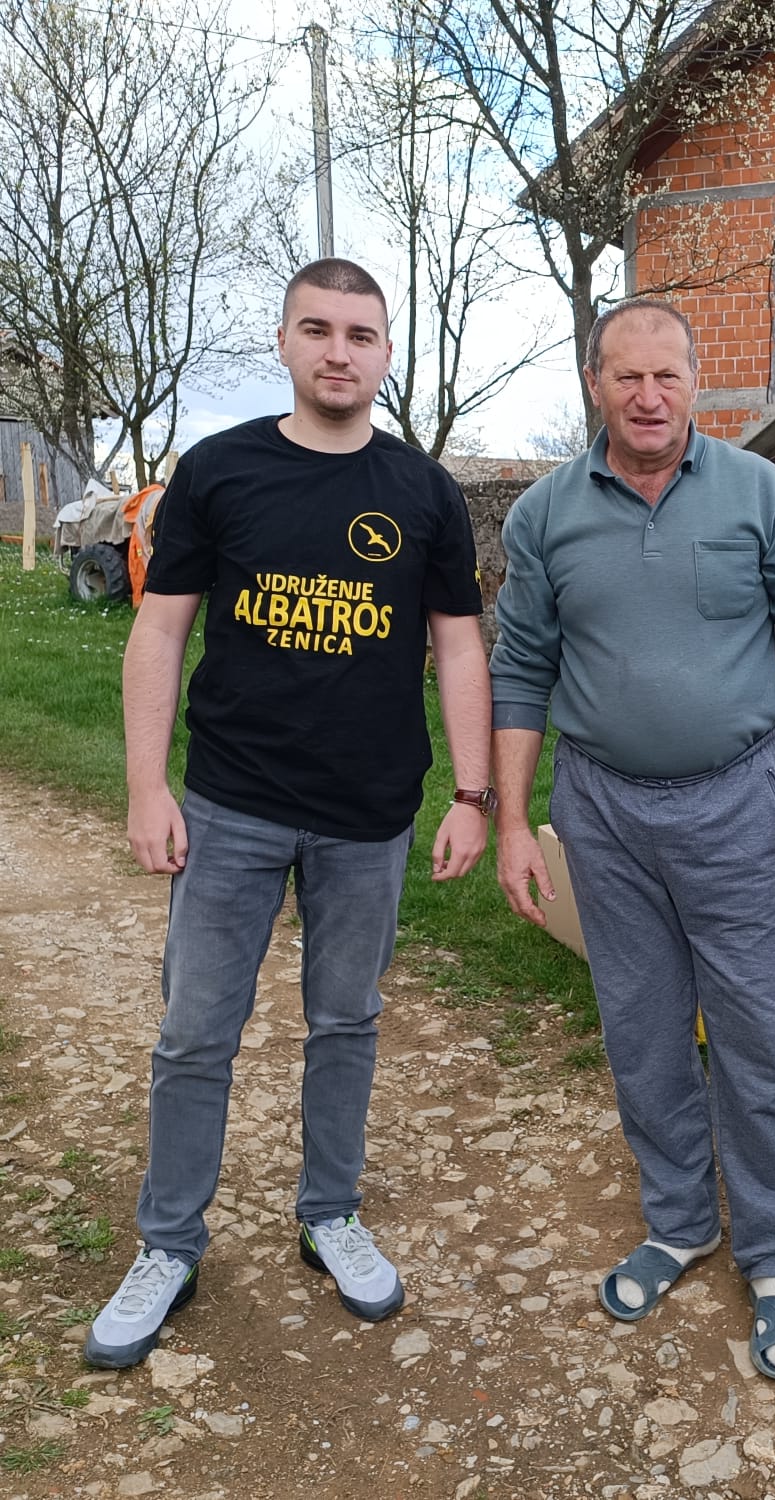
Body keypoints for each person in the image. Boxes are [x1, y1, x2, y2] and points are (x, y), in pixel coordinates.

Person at [85, 258, 493, 1369]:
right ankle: (169, 1243)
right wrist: (146, 785)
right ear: (283, 341)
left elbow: (459, 647)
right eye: (317, 329)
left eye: (361, 334)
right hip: (232, 806)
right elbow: (159, 631)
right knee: (194, 1032)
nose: (339, 352)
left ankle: (330, 1214)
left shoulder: (423, 493)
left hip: (369, 815)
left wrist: (472, 795)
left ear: (386, 353)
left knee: (347, 1023)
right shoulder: (219, 470)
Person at [489, 299, 775, 1381]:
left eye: (668, 376)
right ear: (594, 384)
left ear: (697, 381)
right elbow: (521, 669)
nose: (648, 397)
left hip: (734, 800)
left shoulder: (760, 495)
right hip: (601, 808)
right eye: (627, 377)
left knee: (758, 1027)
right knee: (641, 1025)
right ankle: (680, 1221)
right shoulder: (545, 516)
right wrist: (512, 820)